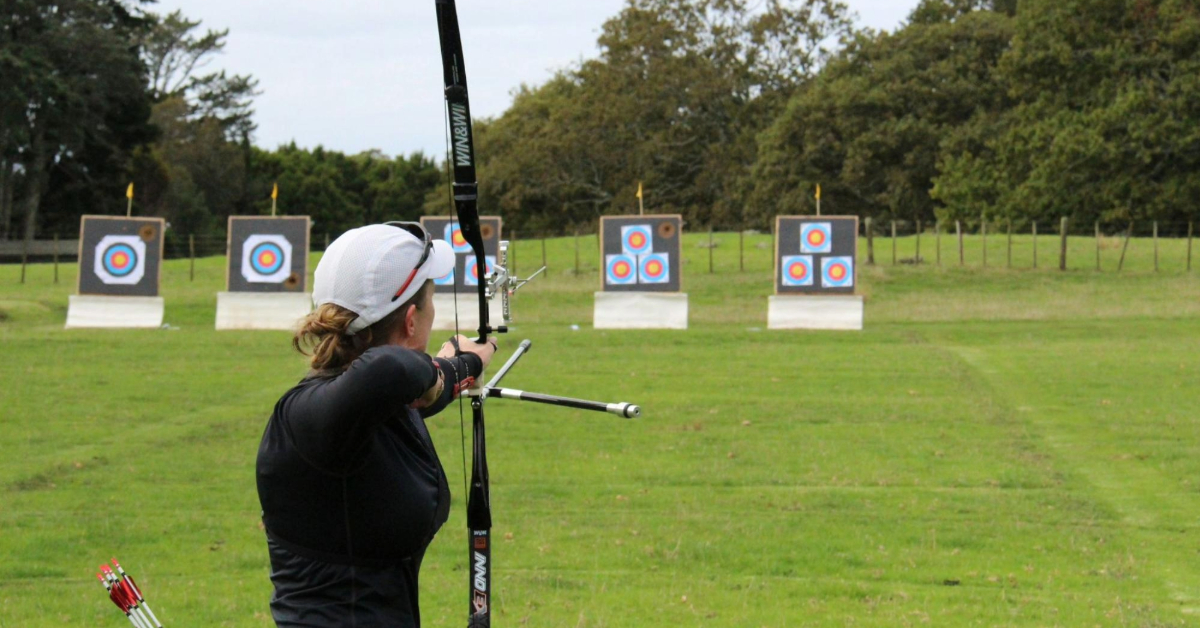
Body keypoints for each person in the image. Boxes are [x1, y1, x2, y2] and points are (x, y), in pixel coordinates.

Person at [256, 222, 497, 627]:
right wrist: (455, 366)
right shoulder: (311, 416)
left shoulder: (364, 410)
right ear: (410, 321)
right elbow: (391, 371)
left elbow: (407, 394)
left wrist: (463, 366)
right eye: (431, 302)